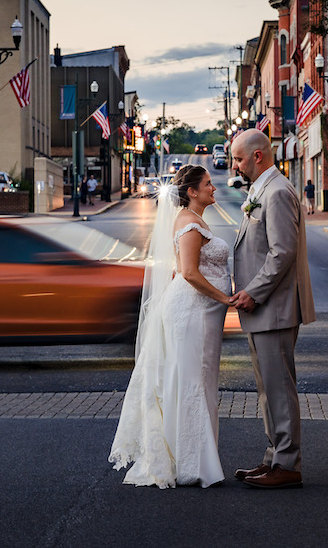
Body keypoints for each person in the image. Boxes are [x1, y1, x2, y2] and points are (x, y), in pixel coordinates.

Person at [110, 165, 232, 488]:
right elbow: (190, 273)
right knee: (193, 381)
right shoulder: (190, 223)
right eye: (208, 184)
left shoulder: (193, 220)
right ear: (192, 192)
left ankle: (190, 455)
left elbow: (183, 269)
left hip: (199, 312)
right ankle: (194, 463)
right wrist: (226, 299)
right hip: (192, 313)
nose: (213, 189)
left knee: (195, 380)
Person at [229, 129, 316, 490]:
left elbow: (282, 252)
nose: (235, 164)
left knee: (279, 388)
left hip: (274, 307)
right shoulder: (261, 190)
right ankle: (274, 458)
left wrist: (253, 292)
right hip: (263, 310)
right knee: (268, 389)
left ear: (257, 157)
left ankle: (287, 464)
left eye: (238, 158)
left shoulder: (277, 192)